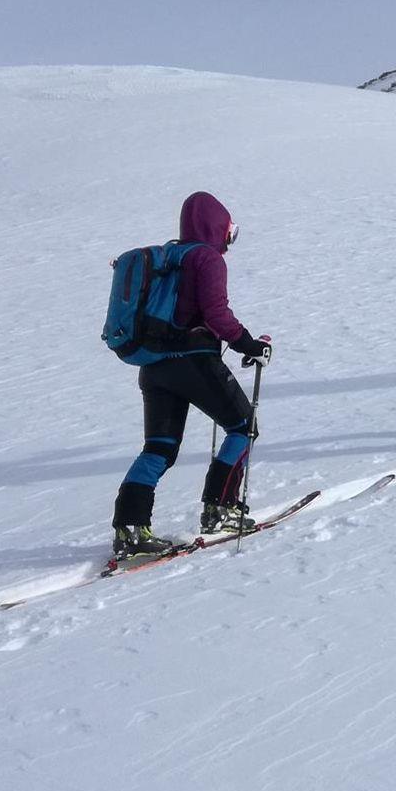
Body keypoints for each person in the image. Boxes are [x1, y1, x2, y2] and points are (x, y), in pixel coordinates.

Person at [111, 191, 274, 557]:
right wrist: (250, 345)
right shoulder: (207, 258)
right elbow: (217, 315)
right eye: (230, 233)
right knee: (243, 427)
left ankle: (130, 529)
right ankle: (220, 509)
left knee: (159, 448)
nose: (228, 242)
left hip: (154, 367)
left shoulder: (169, 256)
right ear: (216, 227)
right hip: (193, 362)